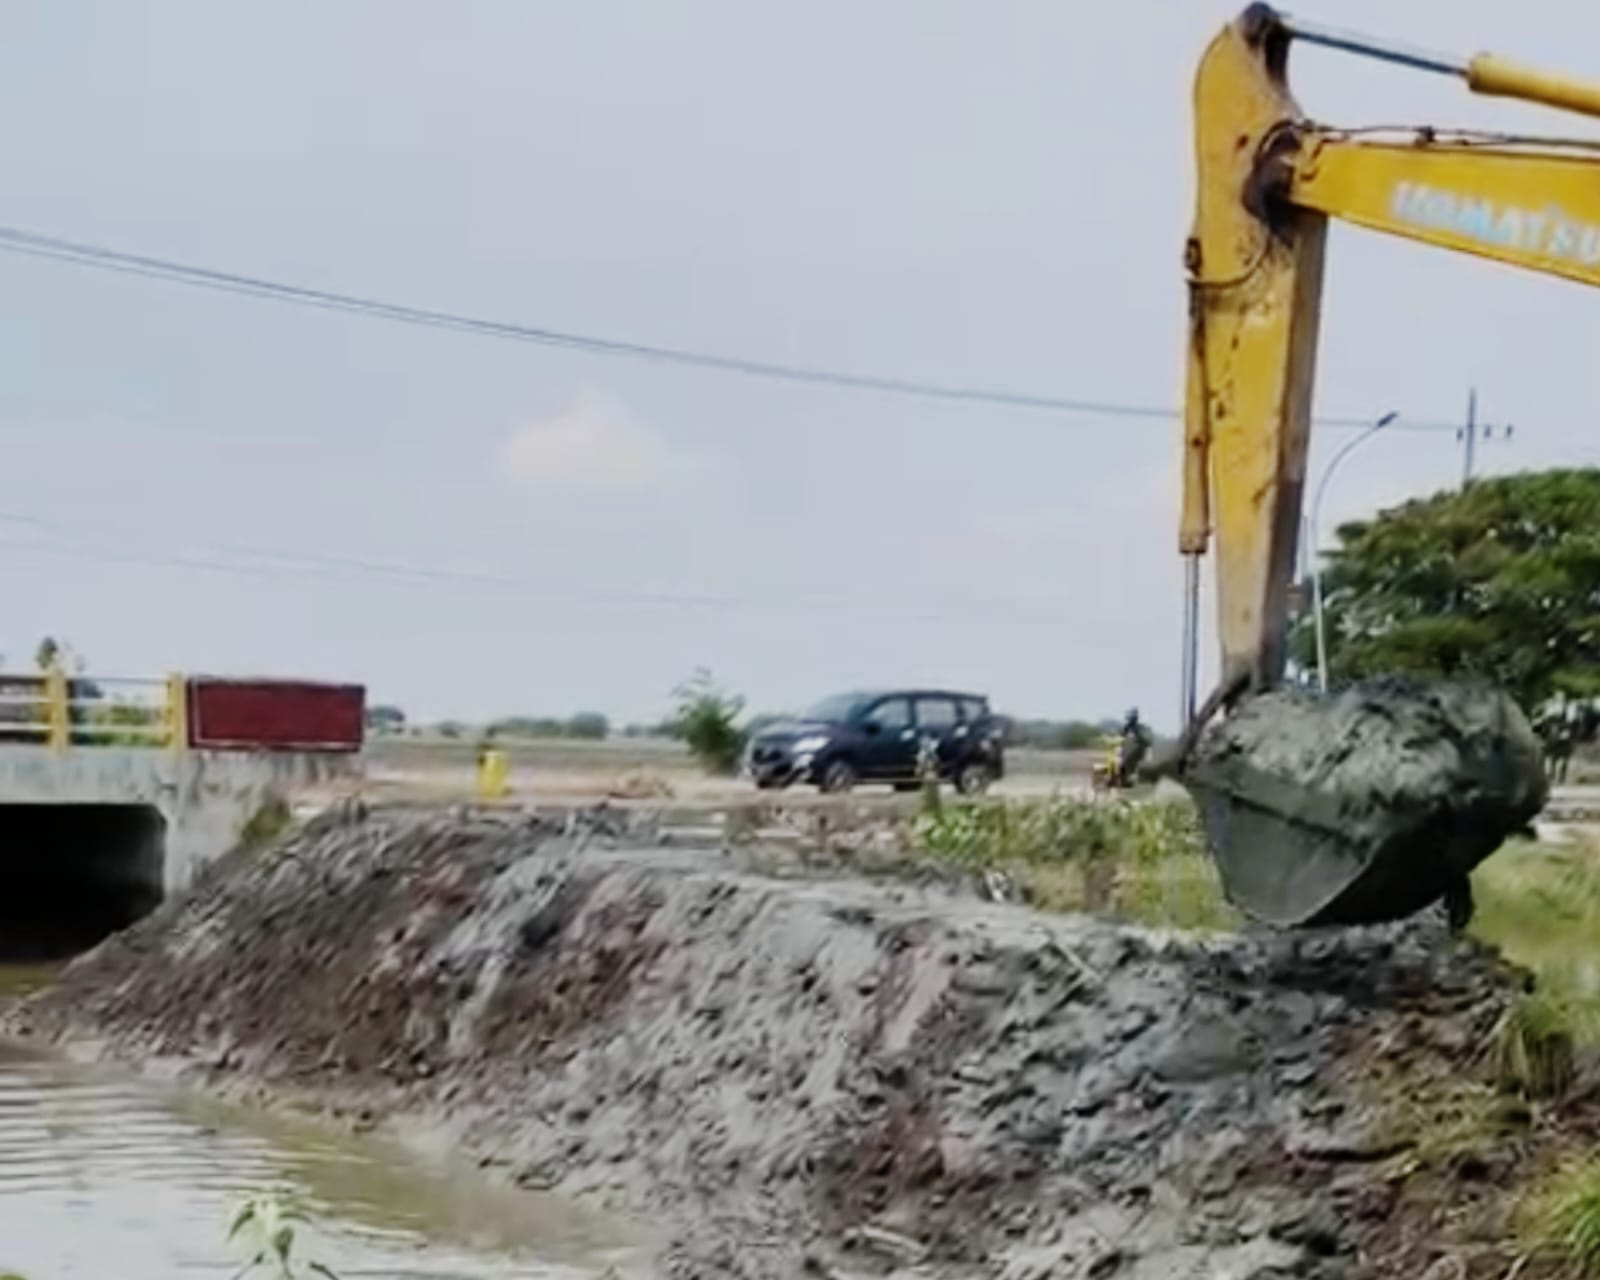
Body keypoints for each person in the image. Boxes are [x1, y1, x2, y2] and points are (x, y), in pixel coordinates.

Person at [1116, 707, 1154, 787]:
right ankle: (1124, 780)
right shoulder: (1127, 727)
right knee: (1122, 762)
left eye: (1130, 715)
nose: (1129, 717)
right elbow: (1121, 736)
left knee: (1128, 763)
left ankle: (1129, 780)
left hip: (1138, 750)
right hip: (1129, 749)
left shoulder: (1138, 728)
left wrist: (1142, 741)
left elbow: (1145, 740)